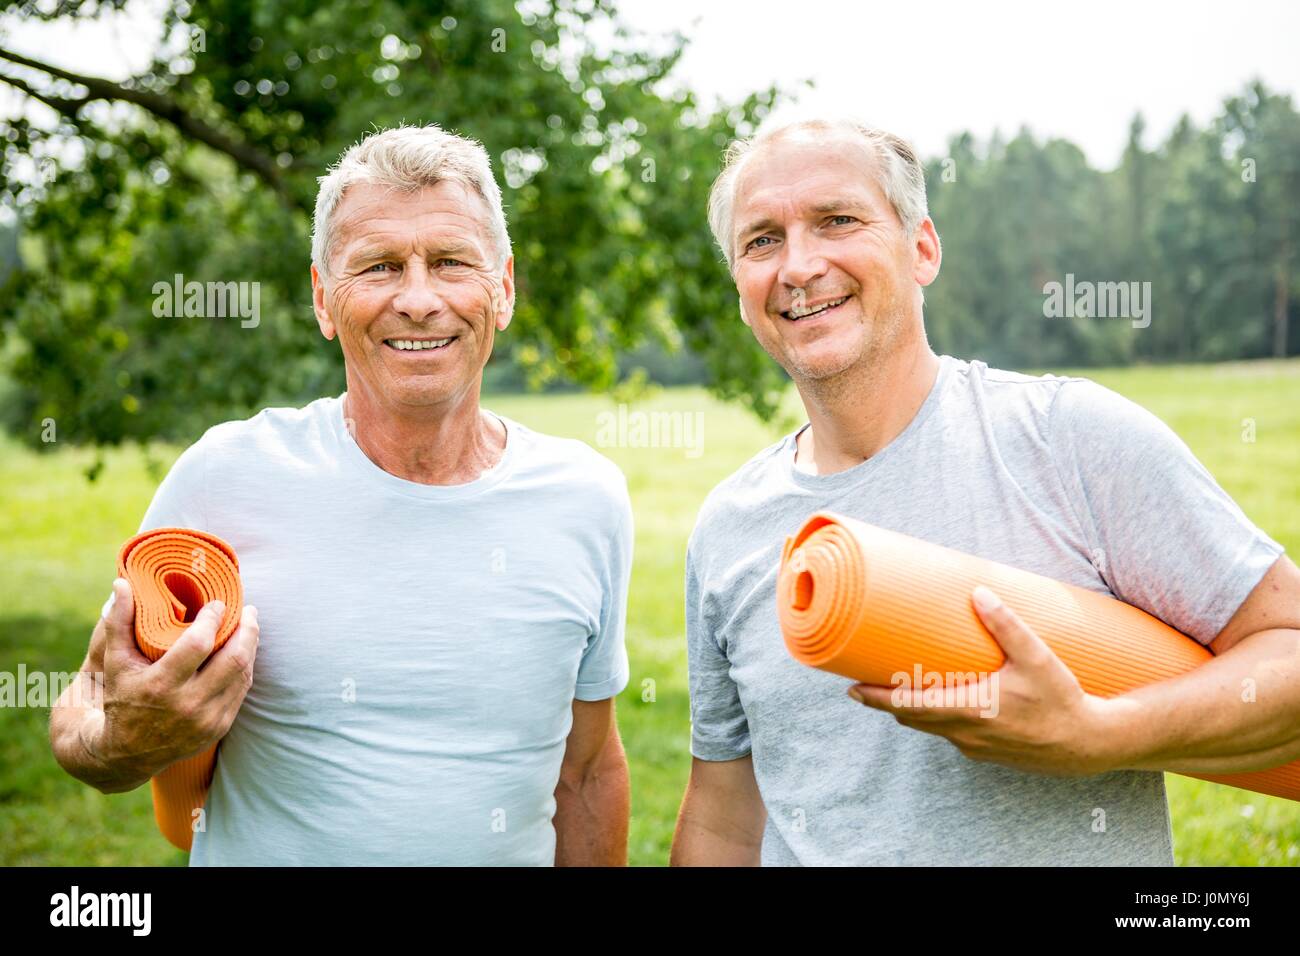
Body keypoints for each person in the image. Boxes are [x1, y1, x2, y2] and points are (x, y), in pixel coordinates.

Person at [671, 117, 1300, 866]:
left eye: (838, 220)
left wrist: (1100, 733)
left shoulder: (1070, 439)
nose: (799, 265)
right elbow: (723, 814)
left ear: (922, 248)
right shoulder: (728, 529)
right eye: (761, 240)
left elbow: (1286, 651)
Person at [50, 124, 634, 866]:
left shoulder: (586, 498)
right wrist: (127, 739)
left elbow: (586, 771)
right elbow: (82, 718)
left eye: (451, 262)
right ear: (325, 301)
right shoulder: (225, 475)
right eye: (380, 267)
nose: (418, 300)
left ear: (503, 289)